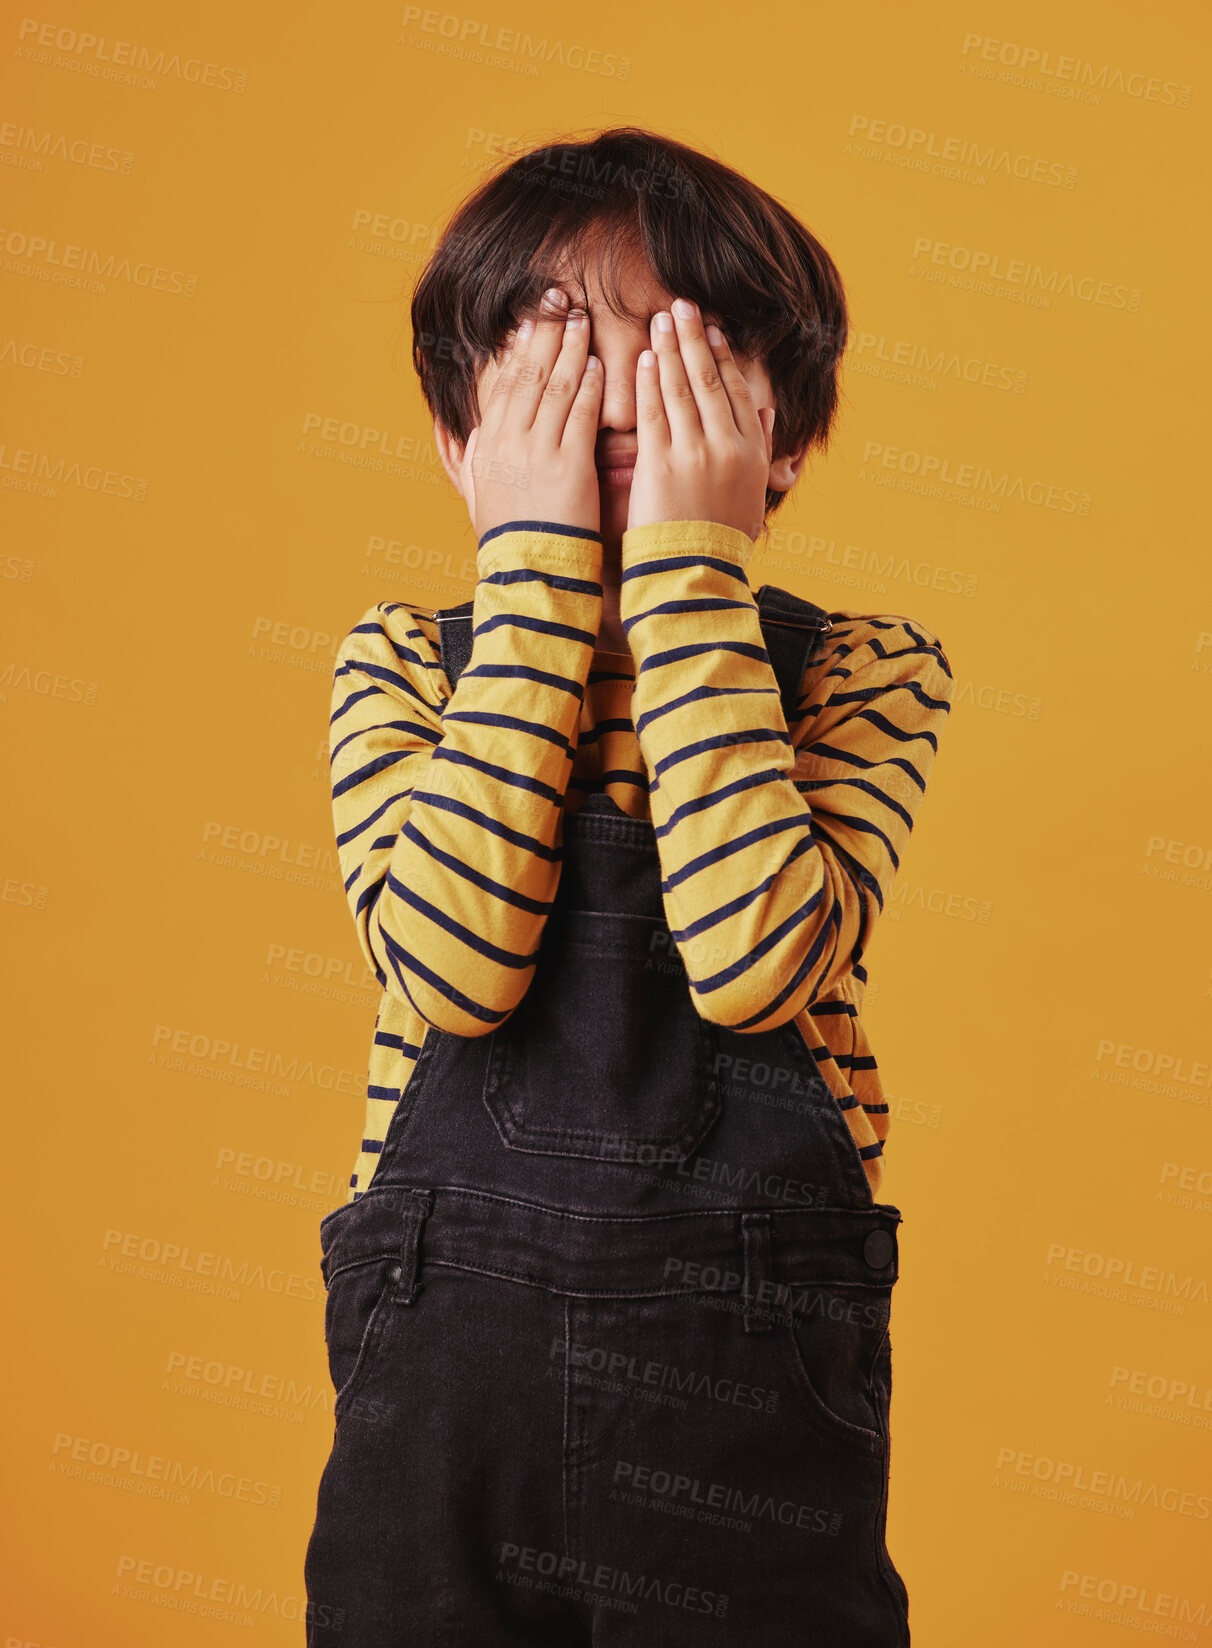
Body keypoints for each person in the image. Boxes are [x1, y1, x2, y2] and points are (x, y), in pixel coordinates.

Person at [305, 126, 952, 1645]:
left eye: (668, 355)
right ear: (461, 441)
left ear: (779, 439)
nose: (606, 398)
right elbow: (454, 971)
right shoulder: (400, 664)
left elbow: (753, 962)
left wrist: (685, 570)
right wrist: (531, 571)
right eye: (546, 355)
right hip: (446, 1403)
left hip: (752, 1382)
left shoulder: (861, 672)